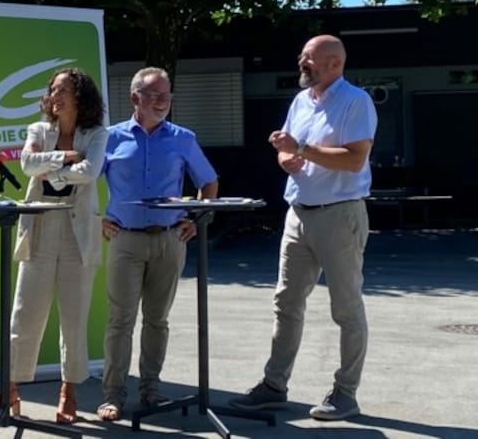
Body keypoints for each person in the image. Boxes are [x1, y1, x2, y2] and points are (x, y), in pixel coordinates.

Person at [228, 34, 377, 421]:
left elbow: (355, 160)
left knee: (346, 307)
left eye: (308, 58)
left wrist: (301, 151)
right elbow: (286, 148)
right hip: (299, 214)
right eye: (302, 56)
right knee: (286, 303)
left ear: (333, 63)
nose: (301, 62)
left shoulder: (355, 101)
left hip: (340, 215)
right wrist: (285, 158)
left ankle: (346, 393)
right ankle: (274, 386)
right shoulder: (301, 101)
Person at [96, 67, 219, 421]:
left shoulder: (182, 138)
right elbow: (86, 183)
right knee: (120, 320)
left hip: (168, 241)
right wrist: (97, 218)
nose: (163, 102)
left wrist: (195, 219)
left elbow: (208, 183)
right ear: (135, 97)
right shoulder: (111, 138)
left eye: (167, 95)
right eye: (154, 95)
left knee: (157, 320)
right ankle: (113, 395)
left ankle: (151, 390)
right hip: (125, 240)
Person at [0, 68, 108, 424]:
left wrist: (54, 171)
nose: (55, 95)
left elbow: (90, 172)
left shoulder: (96, 133)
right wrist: (66, 158)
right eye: (52, 89)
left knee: (74, 318)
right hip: (41, 226)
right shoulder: (38, 131)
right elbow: (28, 164)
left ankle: (68, 392)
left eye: (63, 89)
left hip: (79, 233)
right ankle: (9, 390)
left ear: (80, 96)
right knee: (25, 312)